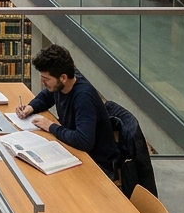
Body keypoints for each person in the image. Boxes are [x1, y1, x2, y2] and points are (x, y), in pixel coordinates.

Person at [15, 45, 117, 176]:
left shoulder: (83, 97)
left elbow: (84, 141)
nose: (42, 83)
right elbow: (47, 96)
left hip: (96, 163)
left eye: (46, 79)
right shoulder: (63, 84)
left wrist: (51, 126)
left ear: (63, 77)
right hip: (73, 151)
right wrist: (31, 107)